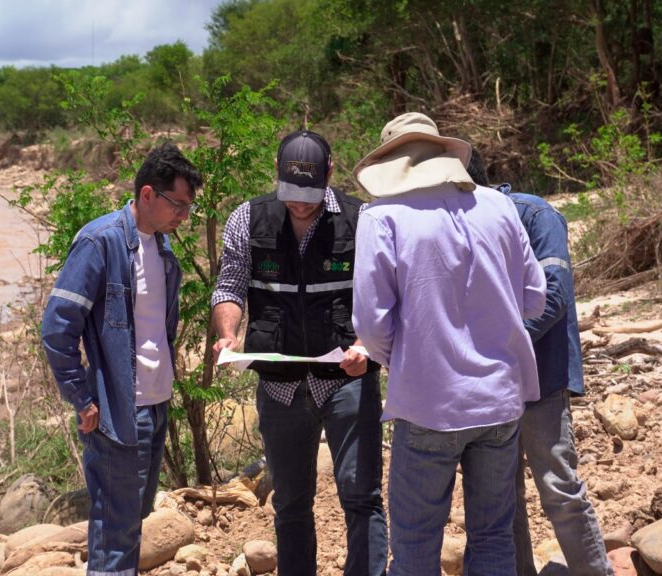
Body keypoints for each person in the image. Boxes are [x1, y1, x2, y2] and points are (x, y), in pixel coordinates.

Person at [351, 112, 547, 576]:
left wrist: (406, 360)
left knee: (415, 546)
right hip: (500, 399)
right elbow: (535, 298)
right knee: (494, 536)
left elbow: (370, 324)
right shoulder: (498, 207)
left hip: (428, 404)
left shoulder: (381, 216)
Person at [211, 129, 387, 576]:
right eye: (291, 194)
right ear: (276, 172)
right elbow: (229, 286)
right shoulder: (247, 218)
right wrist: (228, 334)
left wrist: (366, 346)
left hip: (347, 379)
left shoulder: (362, 219)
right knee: (290, 503)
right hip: (280, 386)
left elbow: (384, 295)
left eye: (310, 195)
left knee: (360, 495)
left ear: (330, 173)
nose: (301, 205)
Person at [41, 142, 202, 576]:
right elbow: (57, 326)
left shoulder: (165, 252)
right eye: (178, 205)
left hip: (155, 405)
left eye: (188, 207)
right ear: (147, 194)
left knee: (131, 523)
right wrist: (82, 398)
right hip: (115, 411)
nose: (184, 216)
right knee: (115, 533)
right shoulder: (101, 241)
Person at [465, 151, 613, 576]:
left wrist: (498, 346)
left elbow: (554, 294)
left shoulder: (535, 215)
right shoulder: (455, 223)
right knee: (501, 498)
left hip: (540, 377)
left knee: (558, 487)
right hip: (490, 382)